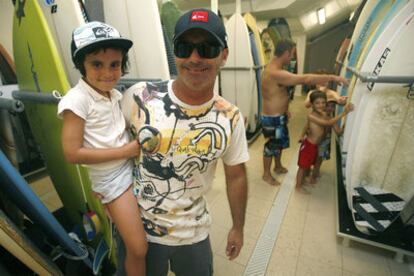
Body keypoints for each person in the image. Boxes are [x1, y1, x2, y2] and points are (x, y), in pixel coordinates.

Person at [121, 8, 249, 276]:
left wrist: (238, 227)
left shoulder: (230, 118)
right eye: (185, 47)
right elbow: (109, 148)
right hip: (139, 230)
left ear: (223, 55)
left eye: (207, 48)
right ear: (175, 52)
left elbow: (236, 175)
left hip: (194, 233)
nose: (194, 58)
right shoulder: (139, 97)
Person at [58, 21, 147, 275]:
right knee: (139, 248)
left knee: (135, 238)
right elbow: (71, 153)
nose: (108, 72)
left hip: (128, 170)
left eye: (115, 64)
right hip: (113, 181)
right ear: (81, 65)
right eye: (97, 64)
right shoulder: (77, 100)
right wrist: (125, 152)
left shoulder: (113, 94)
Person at [261, 38, 348, 186]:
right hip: (272, 118)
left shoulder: (277, 70)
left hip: (280, 116)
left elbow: (280, 92)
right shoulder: (275, 72)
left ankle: (277, 165)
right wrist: (333, 77)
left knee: (279, 143)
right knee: (271, 146)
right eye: (292, 54)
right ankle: (266, 174)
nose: (292, 58)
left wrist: (286, 109)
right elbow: (306, 79)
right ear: (286, 53)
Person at [296, 91, 354, 193]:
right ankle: (298, 186)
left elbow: (334, 127)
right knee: (302, 167)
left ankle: (302, 182)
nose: (321, 105)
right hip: (309, 145)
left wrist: (346, 124)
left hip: (315, 146)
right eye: (317, 103)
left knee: (307, 166)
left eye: (323, 103)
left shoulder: (323, 114)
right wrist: (344, 113)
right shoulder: (312, 116)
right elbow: (328, 123)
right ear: (312, 104)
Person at [299, 99, 344, 183]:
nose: (330, 108)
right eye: (328, 106)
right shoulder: (318, 117)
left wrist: (345, 125)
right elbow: (306, 126)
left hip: (324, 143)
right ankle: (306, 175)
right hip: (313, 142)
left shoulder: (331, 118)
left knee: (318, 161)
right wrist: (302, 135)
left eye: (333, 107)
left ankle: (313, 177)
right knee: (309, 160)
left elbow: (338, 132)